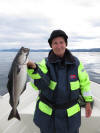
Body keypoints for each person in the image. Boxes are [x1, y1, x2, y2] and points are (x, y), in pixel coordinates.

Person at [27, 30, 93, 133]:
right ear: (51, 46)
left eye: (61, 42)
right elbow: (39, 85)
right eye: (55, 43)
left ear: (66, 44)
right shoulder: (44, 63)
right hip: (48, 117)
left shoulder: (76, 63)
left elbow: (85, 83)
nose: (58, 46)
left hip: (71, 118)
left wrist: (88, 102)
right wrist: (34, 70)